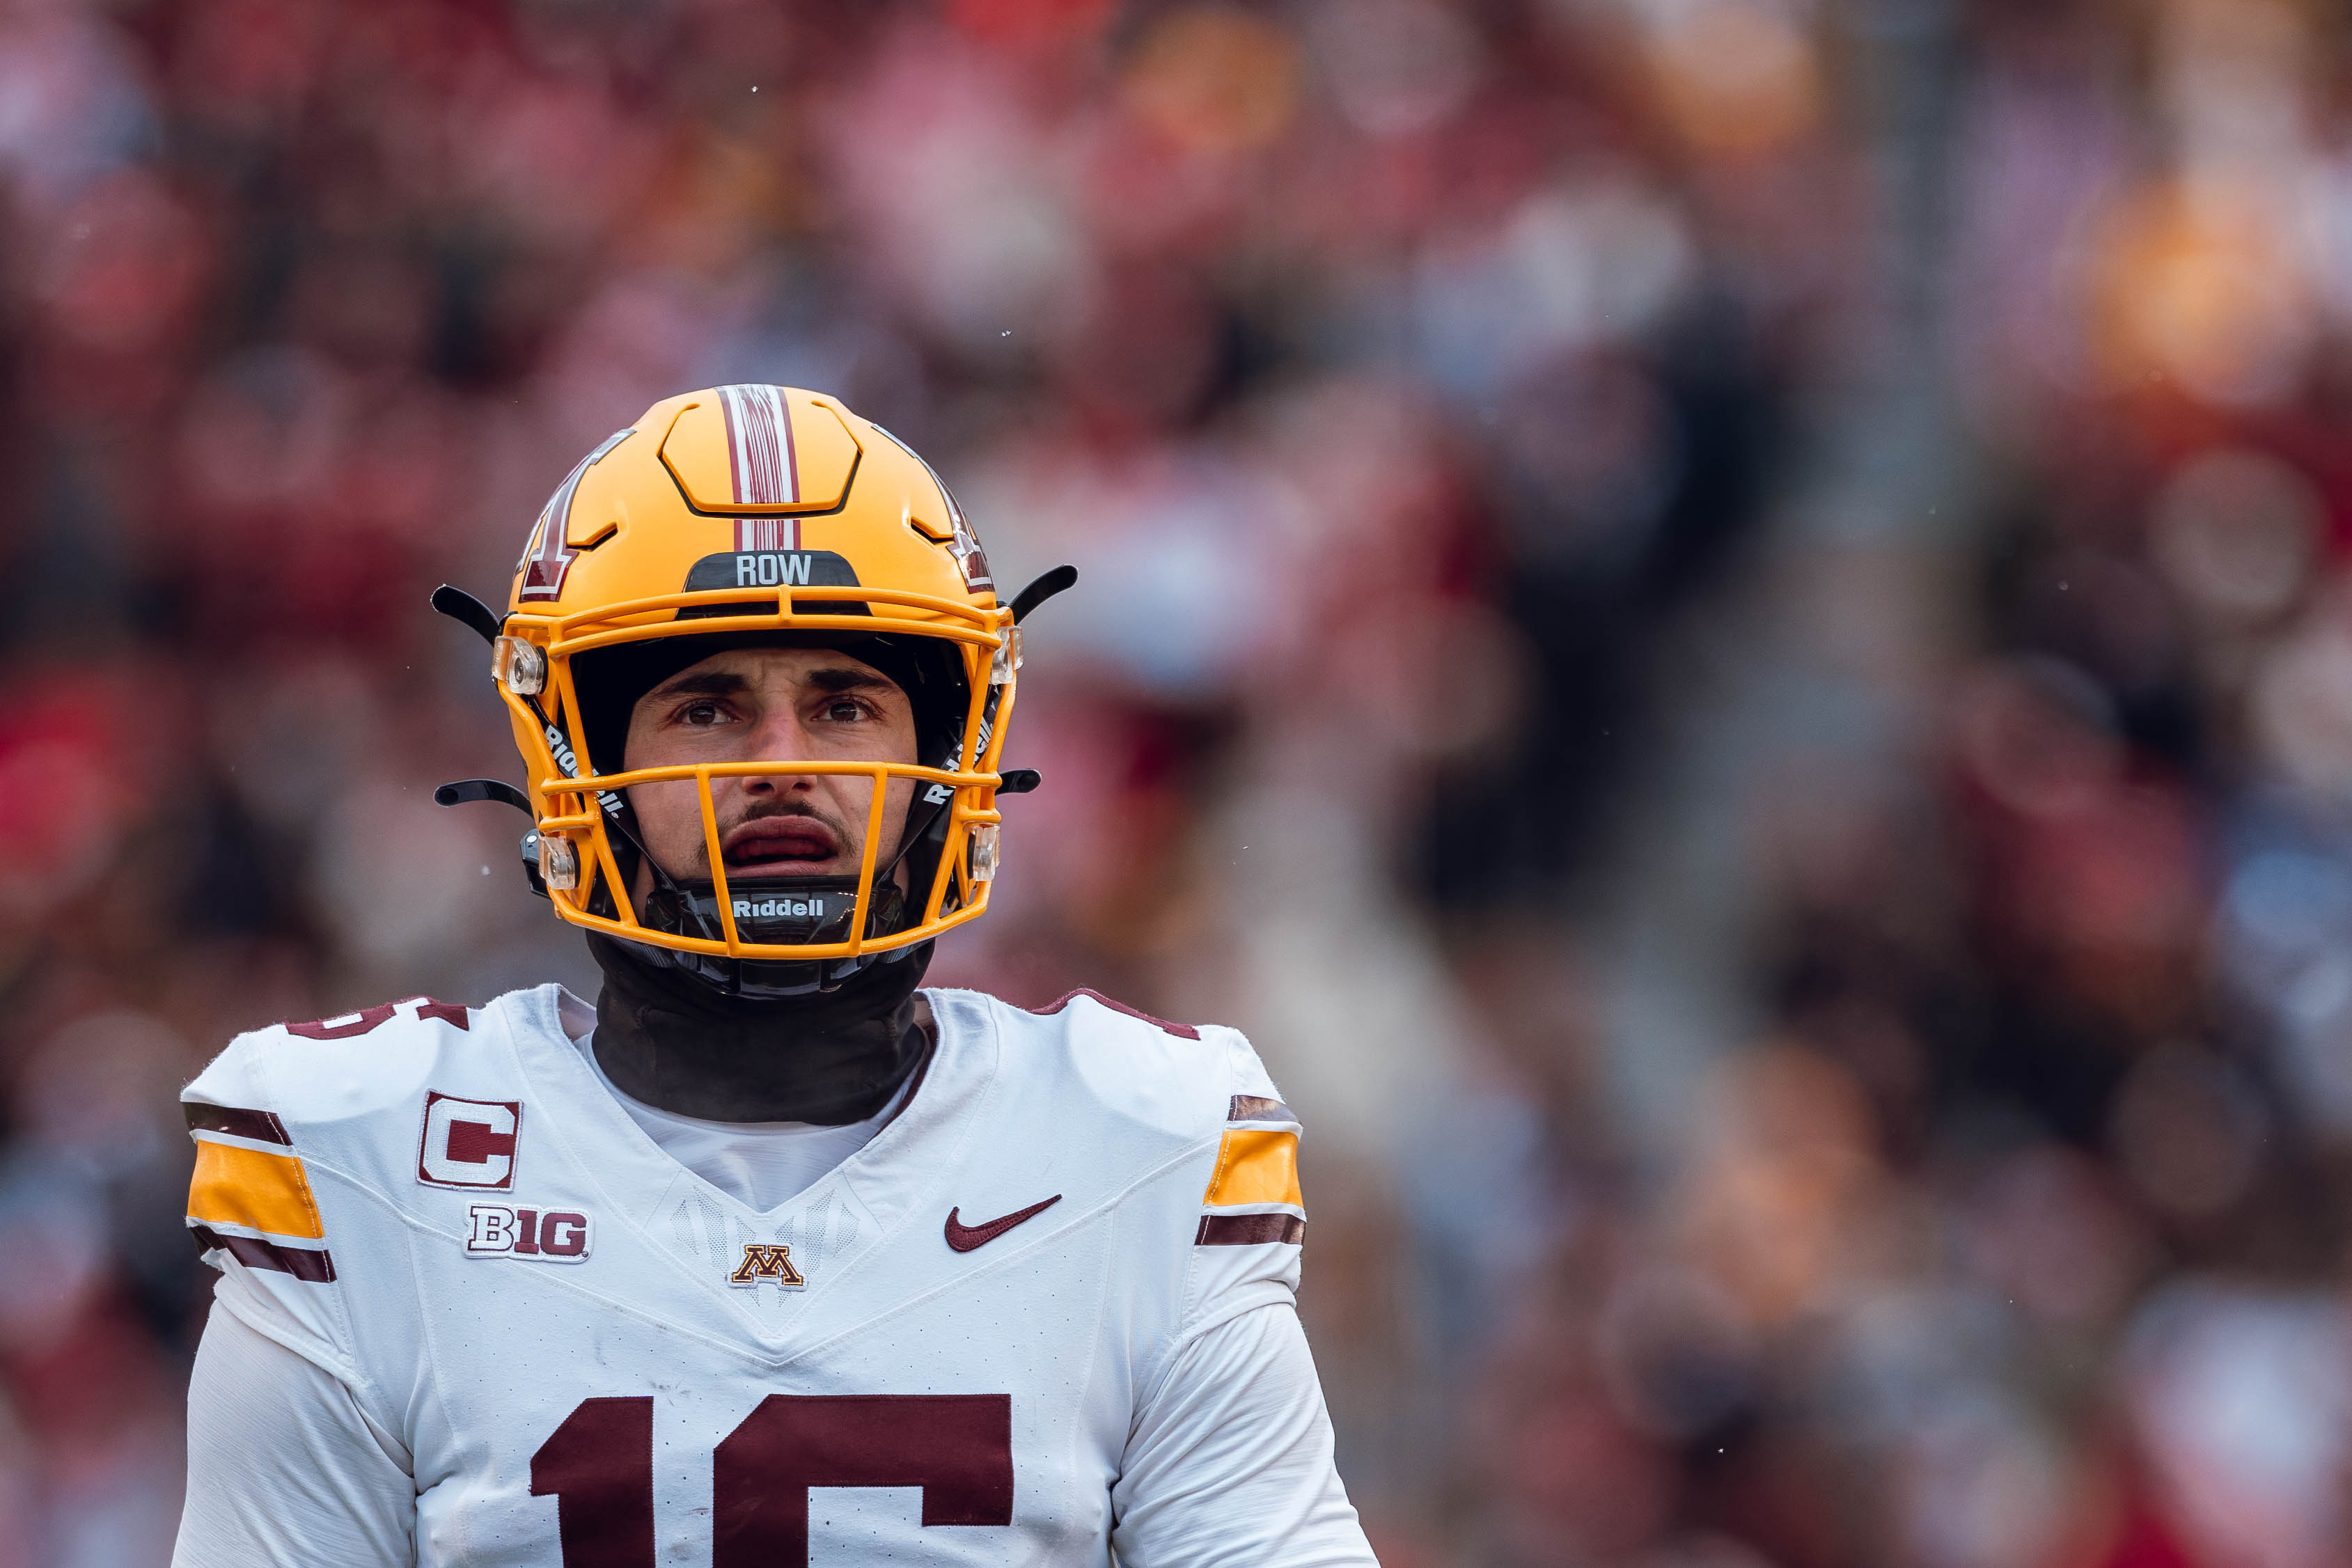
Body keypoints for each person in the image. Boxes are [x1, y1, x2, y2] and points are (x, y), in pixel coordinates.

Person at [171, 385, 1377, 1568]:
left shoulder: (1134, 1150)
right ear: (578, 763)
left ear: (943, 759)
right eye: (705, 709)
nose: (780, 765)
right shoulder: (370, 1166)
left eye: (845, 704)